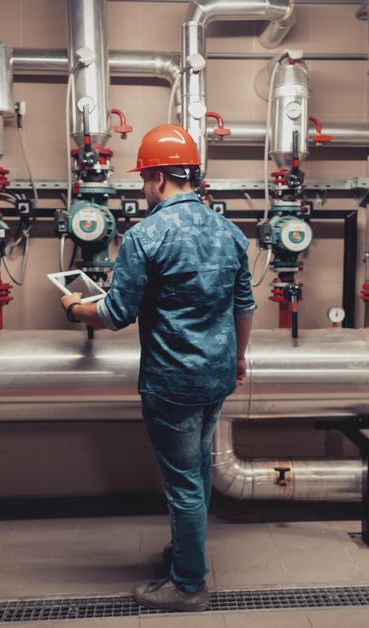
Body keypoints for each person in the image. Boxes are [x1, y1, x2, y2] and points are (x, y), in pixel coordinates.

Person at [59, 123, 256, 612]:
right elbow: (245, 305)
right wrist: (238, 359)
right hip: (215, 377)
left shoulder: (144, 236)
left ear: (160, 178)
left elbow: (114, 314)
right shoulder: (230, 233)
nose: (143, 189)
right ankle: (187, 553)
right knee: (199, 474)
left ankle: (187, 585)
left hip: (172, 384)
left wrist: (74, 307)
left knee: (184, 481)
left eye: (145, 178)